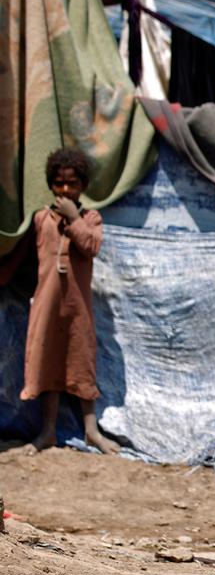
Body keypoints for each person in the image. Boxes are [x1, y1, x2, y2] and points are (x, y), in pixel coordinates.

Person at [21, 148, 119, 455]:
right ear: (51, 184)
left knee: (82, 362)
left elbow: (91, 246)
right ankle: (48, 431)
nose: (65, 190)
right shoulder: (41, 219)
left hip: (78, 309)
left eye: (72, 183)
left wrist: (74, 218)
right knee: (48, 363)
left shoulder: (90, 219)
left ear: (83, 186)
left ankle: (91, 431)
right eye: (59, 183)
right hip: (47, 308)